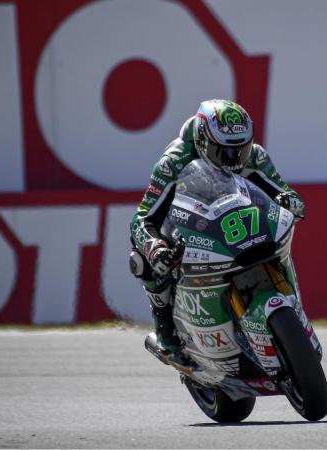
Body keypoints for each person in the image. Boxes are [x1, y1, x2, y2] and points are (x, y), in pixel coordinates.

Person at [128, 99, 305, 363]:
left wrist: (290, 202)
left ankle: (289, 308)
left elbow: (286, 193)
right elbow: (142, 218)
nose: (233, 159)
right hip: (186, 223)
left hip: (239, 219)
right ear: (202, 141)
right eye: (223, 151)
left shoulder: (255, 155)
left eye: (240, 149)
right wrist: (155, 248)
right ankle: (166, 332)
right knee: (142, 259)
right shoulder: (173, 162)